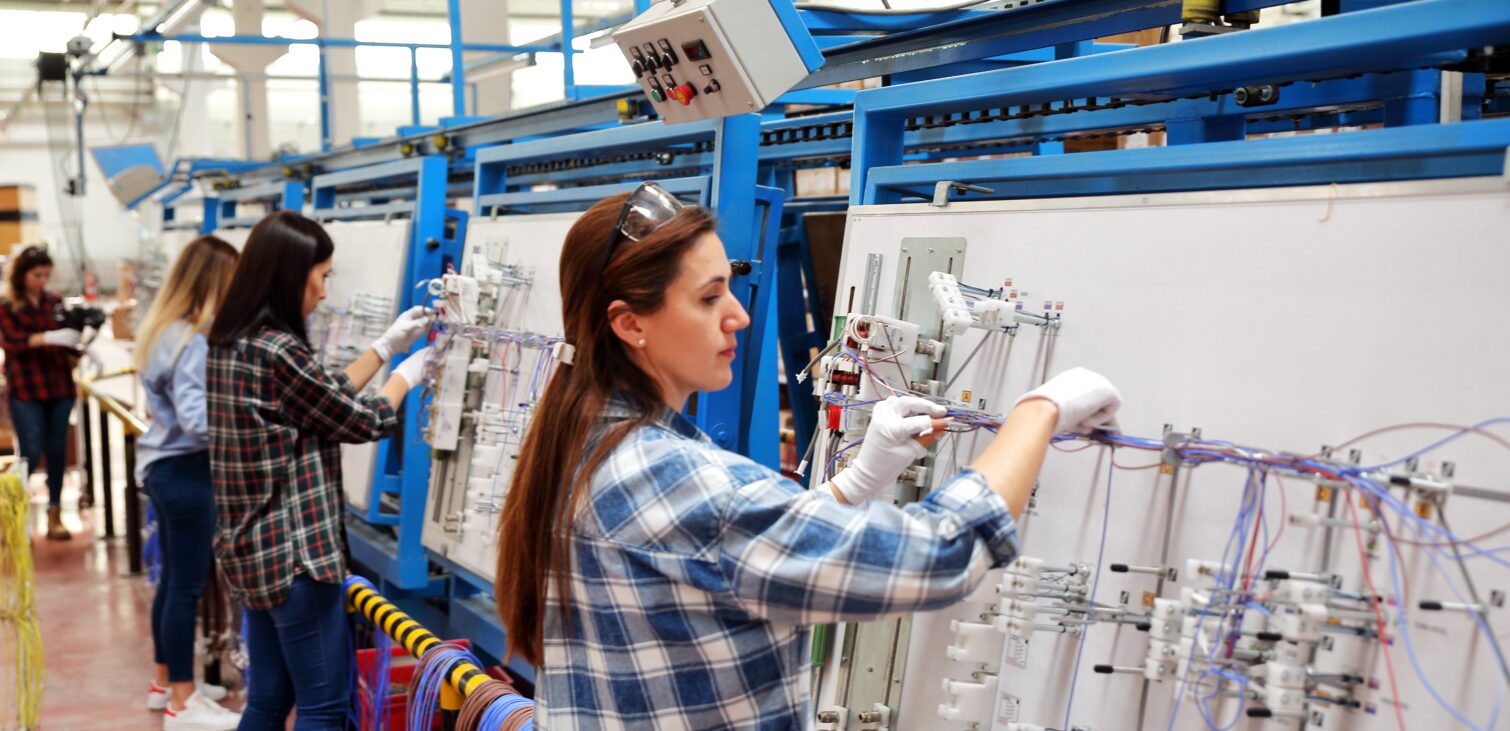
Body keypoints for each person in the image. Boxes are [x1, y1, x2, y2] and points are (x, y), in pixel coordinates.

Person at [494, 183, 1123, 729]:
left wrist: (861, 478)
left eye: (730, 289)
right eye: (709, 298)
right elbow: (945, 554)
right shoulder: (672, 477)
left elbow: (718, 558)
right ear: (630, 324)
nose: (738, 315)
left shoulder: (583, 441)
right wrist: (1037, 412)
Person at [205, 211, 432, 730]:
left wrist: (383, 348)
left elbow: (317, 397)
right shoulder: (279, 350)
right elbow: (360, 419)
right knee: (324, 707)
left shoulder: (231, 342)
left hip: (251, 553)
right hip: (296, 560)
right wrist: (407, 374)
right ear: (292, 274)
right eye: (322, 275)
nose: (325, 291)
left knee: (267, 699)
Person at [134, 235, 242, 729]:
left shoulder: (163, 331)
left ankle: (166, 682)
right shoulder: (195, 339)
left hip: (161, 466)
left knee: (172, 585)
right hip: (187, 472)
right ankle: (183, 701)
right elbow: (199, 421)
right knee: (185, 587)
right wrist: (249, 420)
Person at [0, 246, 83, 540]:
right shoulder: (7, 305)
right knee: (31, 452)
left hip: (59, 386)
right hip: (27, 388)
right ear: (22, 275)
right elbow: (12, 341)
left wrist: (80, 341)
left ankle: (55, 513)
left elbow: (69, 339)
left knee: (57, 450)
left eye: (46, 274)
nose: (42, 280)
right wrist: (48, 337)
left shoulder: (54, 302)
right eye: (37, 275)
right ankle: (13, 517)